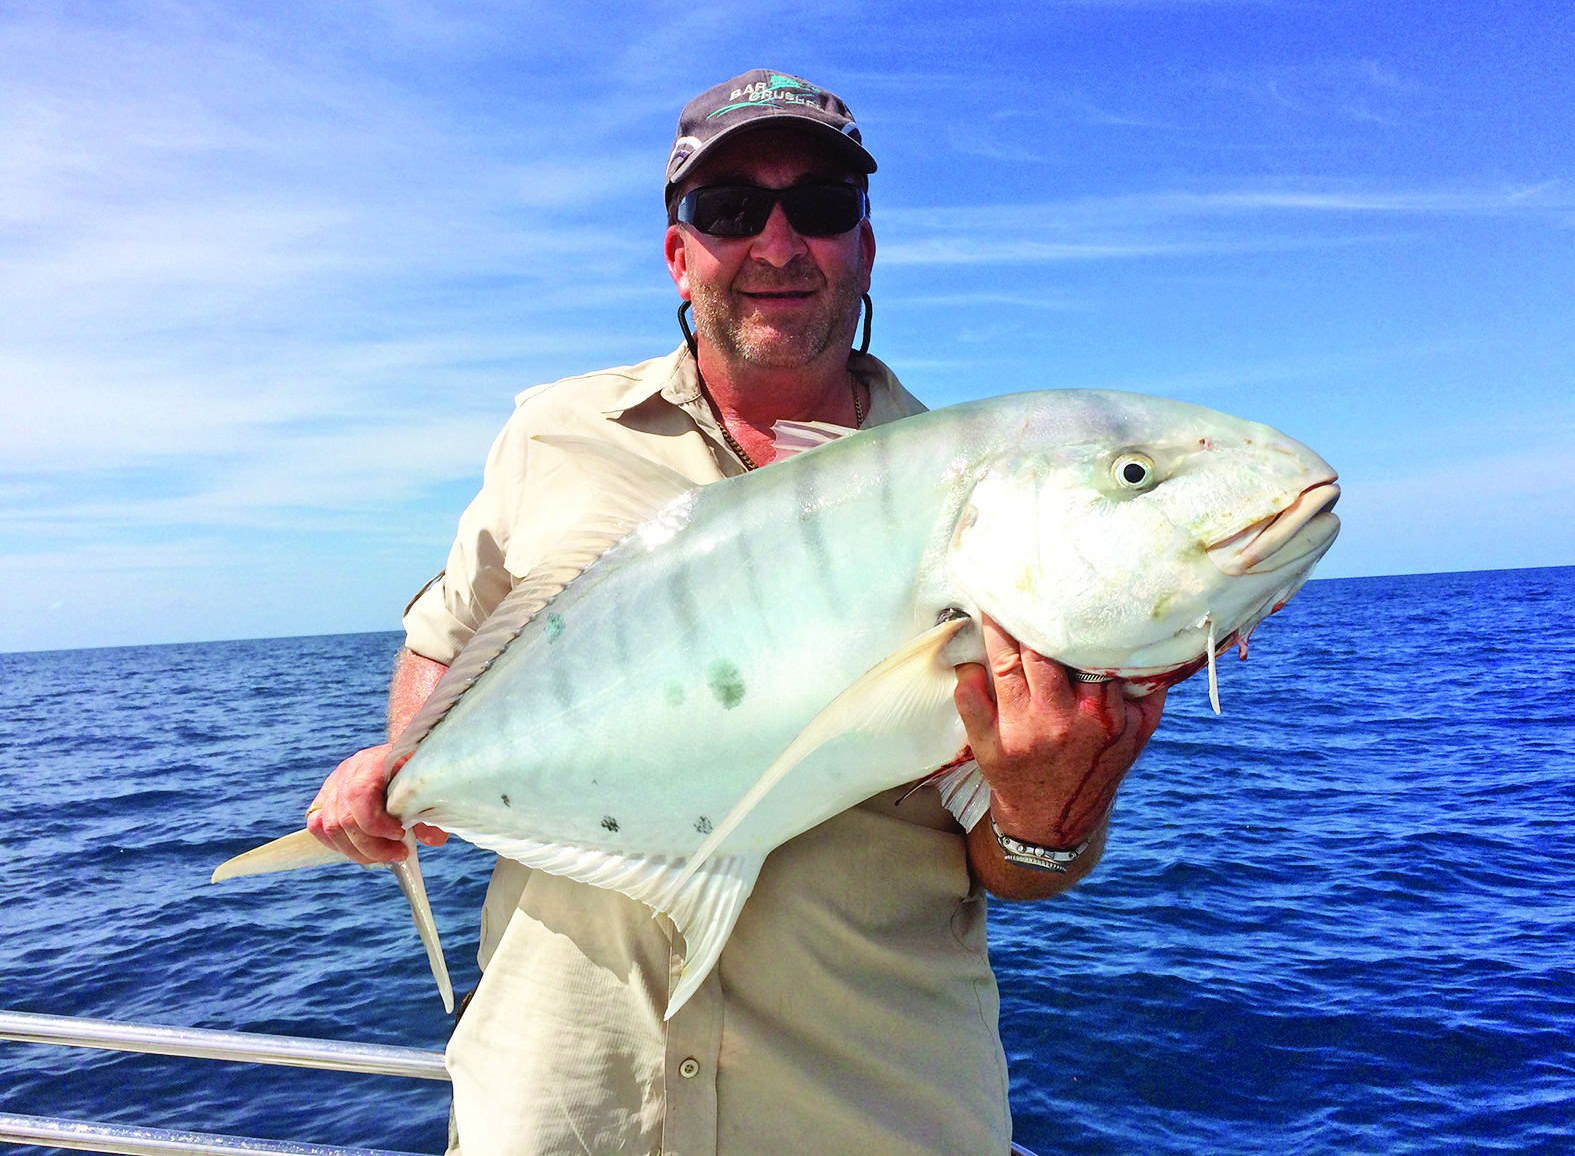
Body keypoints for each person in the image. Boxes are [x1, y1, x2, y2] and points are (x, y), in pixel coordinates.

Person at [306, 70, 1167, 1156]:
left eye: (819, 206)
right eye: (728, 210)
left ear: (864, 246)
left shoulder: (985, 500)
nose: (776, 242)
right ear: (679, 253)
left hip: (870, 1105)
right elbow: (445, 637)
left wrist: (1053, 812)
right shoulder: (552, 436)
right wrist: (404, 765)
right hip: (566, 1099)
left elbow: (1010, 855)